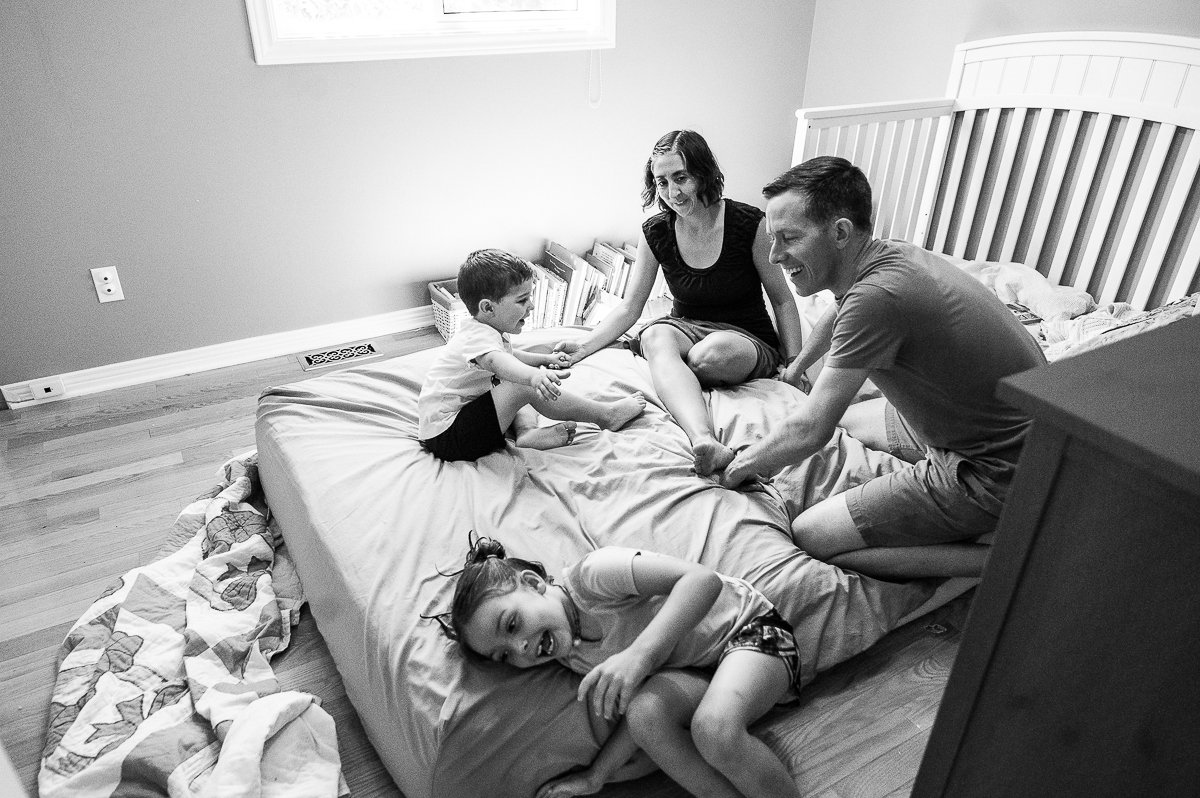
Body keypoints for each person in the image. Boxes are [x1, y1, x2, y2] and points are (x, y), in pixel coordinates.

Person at [720, 156, 1047, 580]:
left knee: (810, 535)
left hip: (995, 472)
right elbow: (838, 313)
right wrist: (797, 365)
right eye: (771, 238)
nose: (775, 255)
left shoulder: (876, 299)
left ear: (840, 232)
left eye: (789, 238)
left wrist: (737, 466)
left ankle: (1010, 563)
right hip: (1019, 433)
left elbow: (811, 429)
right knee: (852, 421)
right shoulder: (884, 257)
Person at [440, 535, 802, 798]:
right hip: (702, 674)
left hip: (753, 632)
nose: (520, 648)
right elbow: (634, 712)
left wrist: (640, 655)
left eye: (512, 625)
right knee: (644, 713)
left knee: (712, 728)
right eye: (505, 656)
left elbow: (700, 581)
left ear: (533, 584)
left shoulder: (593, 576)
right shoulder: (574, 656)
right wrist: (596, 775)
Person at [553, 130, 805, 477]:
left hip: (745, 335)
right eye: (661, 182)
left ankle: (683, 370)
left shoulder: (749, 224)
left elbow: (782, 300)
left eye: (681, 178)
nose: (672, 192)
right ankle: (703, 440)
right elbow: (631, 306)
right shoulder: (655, 231)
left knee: (710, 357)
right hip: (684, 326)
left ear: (702, 173)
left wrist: (795, 364)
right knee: (656, 337)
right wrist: (583, 348)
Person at [418, 249, 646, 461]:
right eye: (522, 300)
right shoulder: (478, 338)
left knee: (515, 378)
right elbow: (497, 362)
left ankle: (527, 433)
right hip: (449, 437)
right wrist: (533, 377)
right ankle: (606, 416)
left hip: (458, 425)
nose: (532, 306)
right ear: (488, 308)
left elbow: (509, 355)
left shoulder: (486, 330)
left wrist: (545, 360)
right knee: (521, 382)